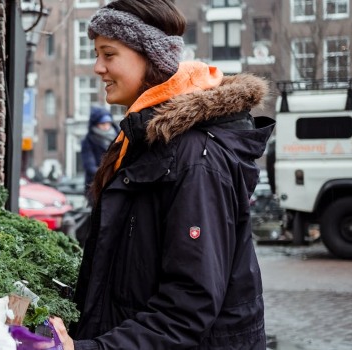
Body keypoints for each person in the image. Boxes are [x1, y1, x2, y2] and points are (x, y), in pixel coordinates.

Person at [48, 0, 275, 349]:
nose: (97, 67)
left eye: (109, 54)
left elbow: (188, 306)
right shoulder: (143, 141)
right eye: (96, 54)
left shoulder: (195, 158)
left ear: (152, 58)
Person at [81, 107, 118, 205]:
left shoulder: (119, 137)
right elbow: (89, 166)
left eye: (108, 123)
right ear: (95, 124)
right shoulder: (88, 141)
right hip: (96, 186)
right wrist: (108, 174)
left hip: (116, 184)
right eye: (102, 124)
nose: (106, 127)